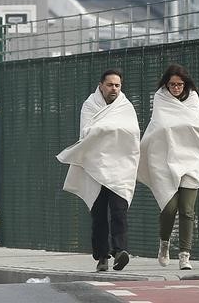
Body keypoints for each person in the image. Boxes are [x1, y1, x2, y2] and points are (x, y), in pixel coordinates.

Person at [57, 69, 140, 272]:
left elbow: (132, 132)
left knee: (120, 211)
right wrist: (110, 129)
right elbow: (87, 132)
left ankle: (120, 251)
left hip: (119, 167)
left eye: (117, 85)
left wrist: (105, 129)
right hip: (94, 167)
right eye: (110, 85)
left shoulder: (125, 106)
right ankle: (102, 256)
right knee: (99, 215)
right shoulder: (90, 105)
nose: (114, 89)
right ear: (101, 85)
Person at [137, 64, 199, 271]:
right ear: (166, 84)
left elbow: (194, 126)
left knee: (187, 210)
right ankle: (164, 243)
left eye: (179, 84)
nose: (176, 88)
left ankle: (184, 255)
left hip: (191, 159)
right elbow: (162, 125)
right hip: (165, 160)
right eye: (172, 84)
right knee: (169, 208)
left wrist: (182, 129)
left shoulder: (192, 99)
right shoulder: (160, 98)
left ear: (186, 84)